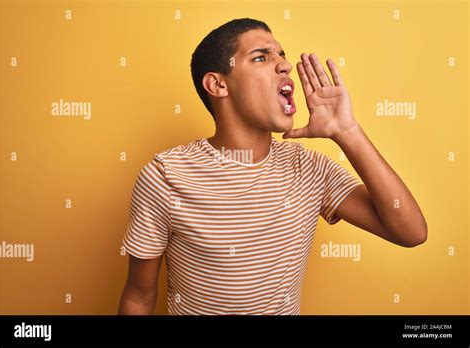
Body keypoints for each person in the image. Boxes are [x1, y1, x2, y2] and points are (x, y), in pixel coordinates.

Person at [118, 18, 427, 315]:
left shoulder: (309, 168)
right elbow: (139, 295)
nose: (284, 65)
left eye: (282, 54)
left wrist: (347, 132)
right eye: (261, 58)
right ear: (218, 84)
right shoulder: (165, 175)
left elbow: (410, 232)